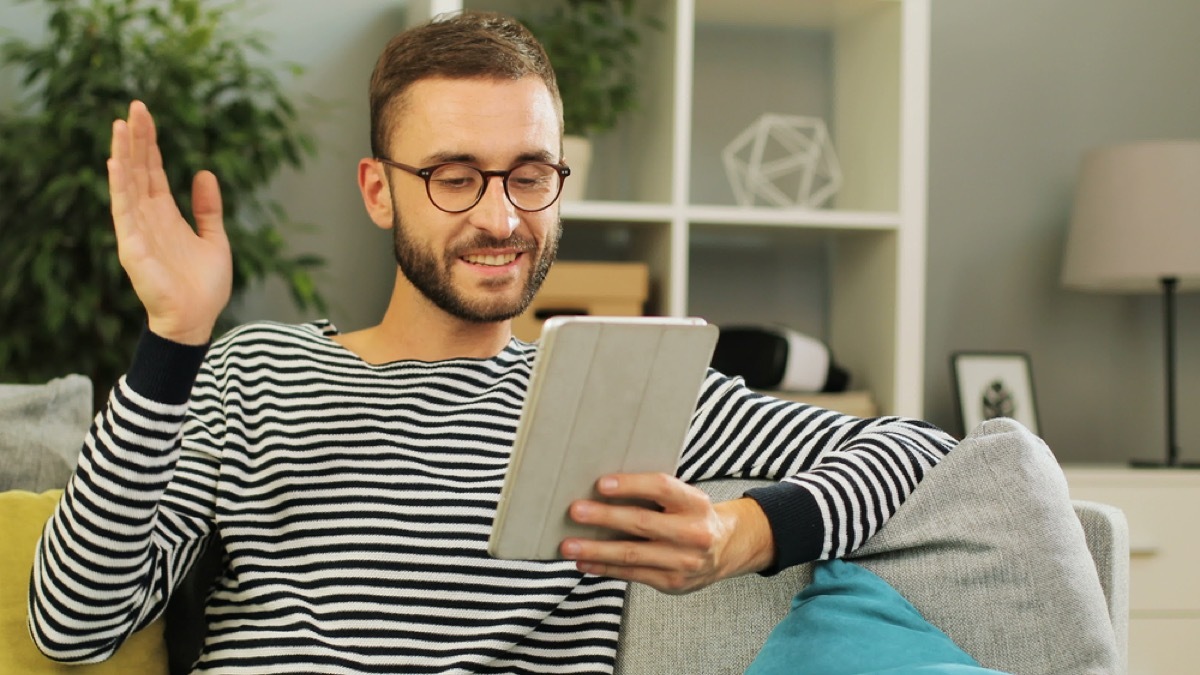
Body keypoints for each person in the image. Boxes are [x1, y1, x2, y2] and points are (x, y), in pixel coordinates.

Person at [28, 10, 957, 674]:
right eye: (455, 177)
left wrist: (742, 531)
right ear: (377, 189)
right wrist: (174, 339)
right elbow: (72, 623)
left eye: (529, 174)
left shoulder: (626, 384)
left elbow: (922, 450)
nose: (501, 216)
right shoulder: (254, 372)